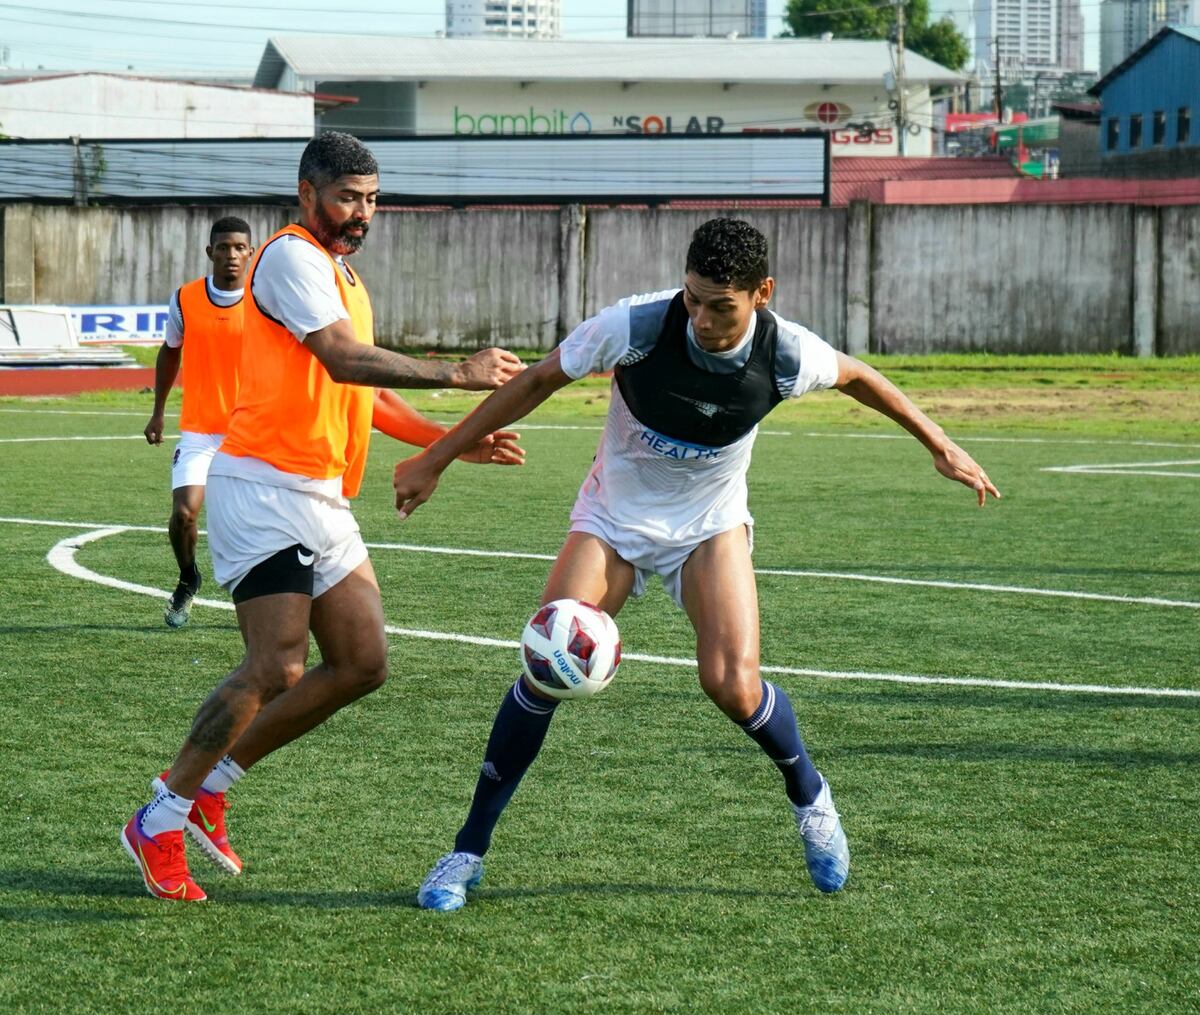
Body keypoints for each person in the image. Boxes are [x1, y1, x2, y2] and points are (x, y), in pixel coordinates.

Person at [393, 217, 1001, 911]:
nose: (703, 318)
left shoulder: (787, 353)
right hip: (614, 523)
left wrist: (940, 445)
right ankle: (466, 852)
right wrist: (435, 456)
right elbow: (538, 380)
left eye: (722, 306)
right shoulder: (635, 327)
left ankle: (810, 795)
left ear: (761, 294)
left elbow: (861, 378)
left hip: (708, 530)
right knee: (546, 660)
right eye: (694, 298)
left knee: (732, 686)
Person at [121, 131, 525, 902]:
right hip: (263, 486)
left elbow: (362, 394)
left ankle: (212, 787)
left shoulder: (343, 277)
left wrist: (446, 445)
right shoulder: (291, 257)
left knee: (362, 661)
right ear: (308, 194)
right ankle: (162, 813)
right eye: (348, 197)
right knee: (276, 665)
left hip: (319, 496)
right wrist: (456, 372)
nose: (362, 213)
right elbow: (343, 358)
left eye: (372, 199)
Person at [144, 217, 254, 628]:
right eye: (223, 247)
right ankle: (188, 578)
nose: (231, 255)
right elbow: (170, 351)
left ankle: (259, 598)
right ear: (210, 253)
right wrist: (158, 411)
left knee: (256, 524)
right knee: (184, 515)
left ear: (251, 252)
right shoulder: (185, 299)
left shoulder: (265, 300)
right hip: (200, 431)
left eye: (239, 247)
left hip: (252, 432)